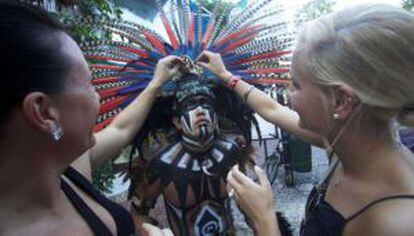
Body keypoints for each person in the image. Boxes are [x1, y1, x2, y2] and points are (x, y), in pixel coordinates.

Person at [196, 3, 414, 236]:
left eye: (296, 85)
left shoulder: (395, 222)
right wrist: (225, 75)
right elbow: (272, 110)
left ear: (340, 101)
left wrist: (264, 219)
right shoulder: (344, 141)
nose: (287, 93)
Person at [0, 2, 178, 235]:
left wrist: (156, 83)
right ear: (44, 112)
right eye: (89, 83)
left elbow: (120, 130)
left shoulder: (64, 166)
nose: (97, 97)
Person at [128, 70, 252, 235]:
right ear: (177, 122)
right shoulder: (162, 164)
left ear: (215, 116)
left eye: (206, 103)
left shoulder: (230, 152)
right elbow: (137, 213)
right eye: (190, 105)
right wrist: (152, 231)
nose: (200, 110)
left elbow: (248, 203)